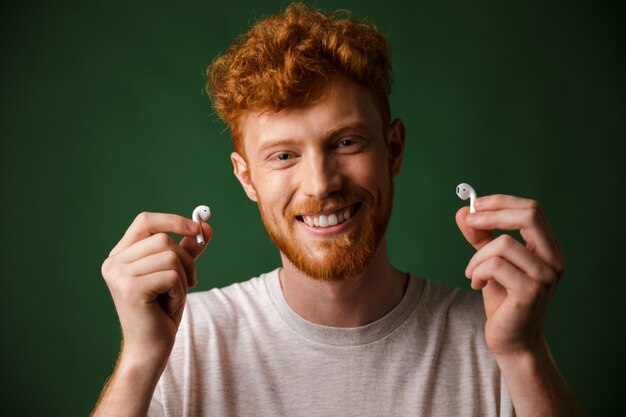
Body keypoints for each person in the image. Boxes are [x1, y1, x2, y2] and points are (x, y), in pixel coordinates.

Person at [92, 3, 582, 416]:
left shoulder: (496, 340)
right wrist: (140, 358)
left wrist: (523, 354)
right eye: (283, 156)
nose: (321, 183)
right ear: (247, 178)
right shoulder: (186, 340)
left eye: (346, 142)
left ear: (393, 151)